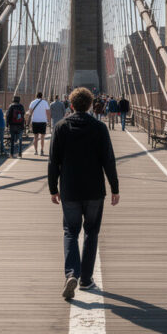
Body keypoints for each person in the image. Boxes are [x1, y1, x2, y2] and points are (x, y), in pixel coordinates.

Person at [49, 87, 119, 300]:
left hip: (69, 189)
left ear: (71, 105)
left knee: (70, 232)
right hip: (94, 190)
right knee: (91, 232)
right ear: (90, 105)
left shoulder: (61, 127)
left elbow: (54, 162)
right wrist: (115, 188)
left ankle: (71, 273)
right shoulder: (99, 128)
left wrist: (53, 188)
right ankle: (86, 280)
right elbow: (108, 160)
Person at [28, 92, 51, 156]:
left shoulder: (32, 102)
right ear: (42, 96)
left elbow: (30, 112)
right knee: (42, 137)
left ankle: (35, 151)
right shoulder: (45, 102)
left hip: (35, 121)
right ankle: (42, 150)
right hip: (43, 121)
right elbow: (48, 112)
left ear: (36, 96)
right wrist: (49, 121)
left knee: (35, 137)